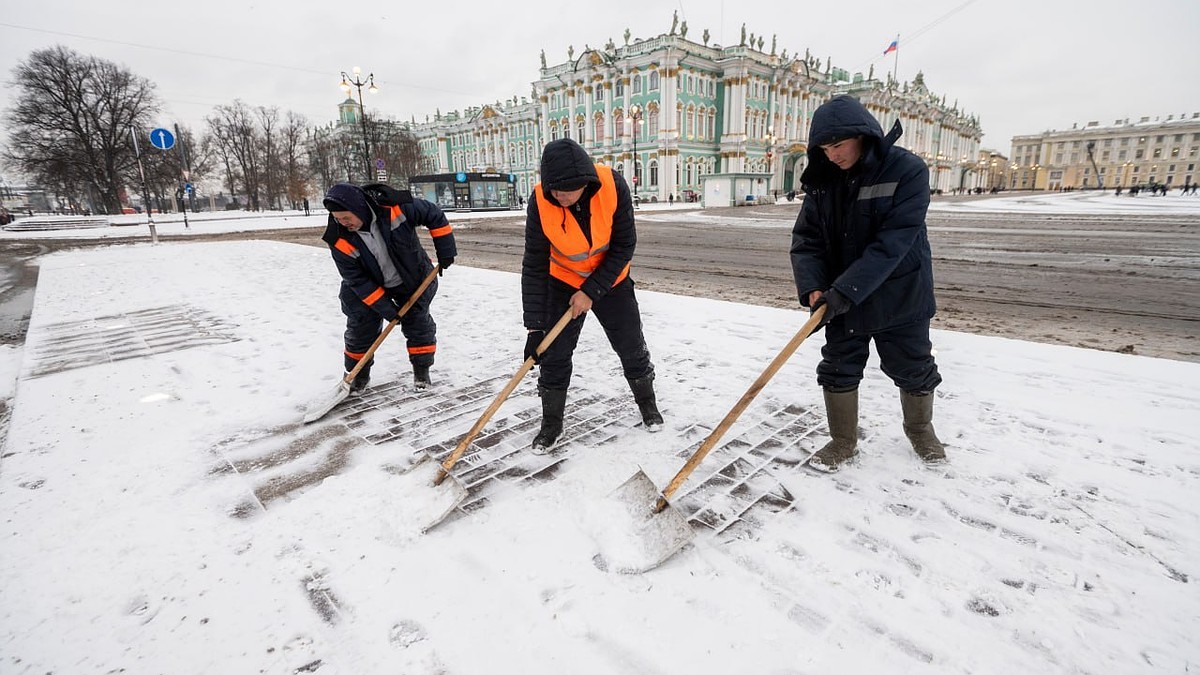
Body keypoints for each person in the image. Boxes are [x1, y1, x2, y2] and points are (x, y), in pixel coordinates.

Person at [790, 94, 945, 473]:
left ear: (863, 135)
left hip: (899, 294)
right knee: (839, 366)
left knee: (913, 366)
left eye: (839, 145)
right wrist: (814, 287)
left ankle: (920, 430)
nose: (832, 155)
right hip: (842, 296)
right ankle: (843, 440)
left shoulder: (906, 170)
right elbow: (807, 240)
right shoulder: (824, 181)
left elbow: (893, 242)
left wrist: (843, 291)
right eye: (824, 148)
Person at [521, 138, 663, 452]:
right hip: (562, 281)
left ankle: (648, 405)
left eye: (566, 191)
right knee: (554, 356)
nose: (559, 197)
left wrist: (591, 291)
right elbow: (534, 264)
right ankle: (551, 424)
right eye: (553, 190)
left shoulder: (613, 186)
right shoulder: (541, 200)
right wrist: (534, 327)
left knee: (631, 345)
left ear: (584, 182)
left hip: (612, 281)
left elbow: (624, 246)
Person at [321, 182, 456, 392]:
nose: (343, 223)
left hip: (411, 278)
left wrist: (446, 249)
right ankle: (357, 377)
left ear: (359, 209)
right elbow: (356, 280)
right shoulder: (338, 238)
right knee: (361, 328)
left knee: (418, 323)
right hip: (368, 286)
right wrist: (387, 309)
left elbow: (433, 214)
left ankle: (422, 373)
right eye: (338, 219)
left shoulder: (394, 208)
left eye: (346, 217)